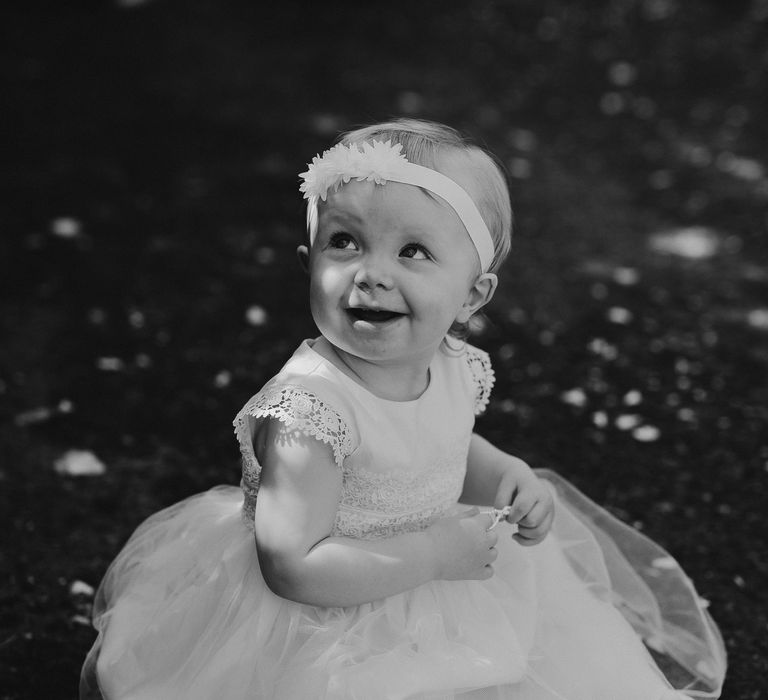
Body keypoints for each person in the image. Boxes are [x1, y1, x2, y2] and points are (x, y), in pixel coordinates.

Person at [81, 118, 726, 700]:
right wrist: (435, 556)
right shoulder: (310, 410)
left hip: (436, 581)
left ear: (473, 296)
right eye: (345, 243)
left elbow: (437, 445)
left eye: (412, 251)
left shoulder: (451, 365)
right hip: (325, 622)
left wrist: (502, 474)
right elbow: (292, 565)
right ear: (308, 264)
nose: (371, 274)